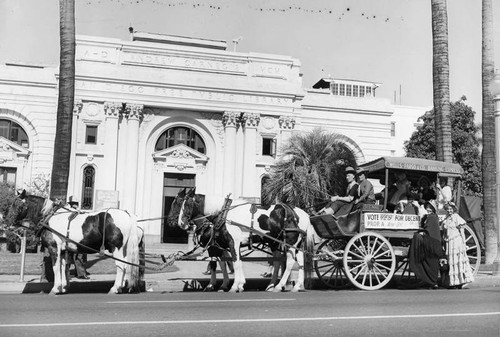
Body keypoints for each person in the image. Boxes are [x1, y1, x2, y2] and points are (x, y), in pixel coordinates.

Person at [408, 200, 444, 289]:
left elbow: (429, 230)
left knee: (431, 262)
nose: (428, 209)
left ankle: (432, 281)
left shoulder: (433, 217)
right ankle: (428, 280)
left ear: (433, 209)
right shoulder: (427, 217)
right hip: (430, 241)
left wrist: (422, 233)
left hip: (433, 243)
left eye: (430, 207)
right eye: (427, 207)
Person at [440, 202, 474, 288]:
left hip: (456, 241)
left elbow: (462, 232)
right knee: (451, 262)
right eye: (448, 209)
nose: (449, 210)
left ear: (453, 209)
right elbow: (444, 233)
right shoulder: (446, 219)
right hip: (449, 242)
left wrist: (464, 243)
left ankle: (460, 281)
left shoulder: (457, 218)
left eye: (451, 209)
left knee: (457, 261)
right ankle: (453, 281)